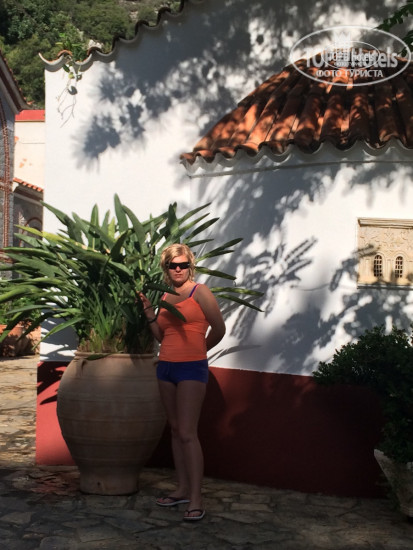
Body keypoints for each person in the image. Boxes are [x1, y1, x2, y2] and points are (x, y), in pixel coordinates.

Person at [139, 243, 226, 522]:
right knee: (176, 430)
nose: (178, 269)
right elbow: (162, 336)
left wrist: (199, 351)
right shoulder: (165, 295)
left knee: (188, 432)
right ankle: (183, 489)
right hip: (166, 367)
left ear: (190, 266)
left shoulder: (200, 292)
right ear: (166, 268)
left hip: (191, 368)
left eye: (182, 265)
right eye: (172, 265)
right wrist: (150, 315)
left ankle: (196, 498)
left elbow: (219, 328)